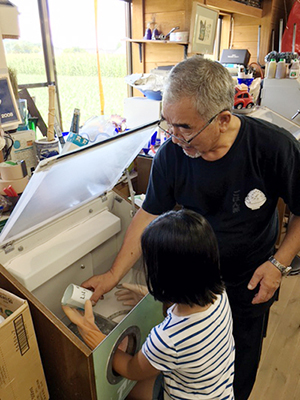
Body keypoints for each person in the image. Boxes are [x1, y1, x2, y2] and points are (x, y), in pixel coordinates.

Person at [82, 55, 300, 399]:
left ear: (224, 119)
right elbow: (148, 214)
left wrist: (278, 264)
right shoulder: (172, 154)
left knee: (238, 367)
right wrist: (112, 275)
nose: (174, 137)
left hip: (251, 277)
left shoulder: (274, 147)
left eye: (185, 127)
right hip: (195, 283)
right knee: (196, 367)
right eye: (167, 123)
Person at [63, 209, 235, 400]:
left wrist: (96, 337)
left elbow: (131, 369)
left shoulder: (169, 339)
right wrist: (153, 296)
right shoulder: (218, 294)